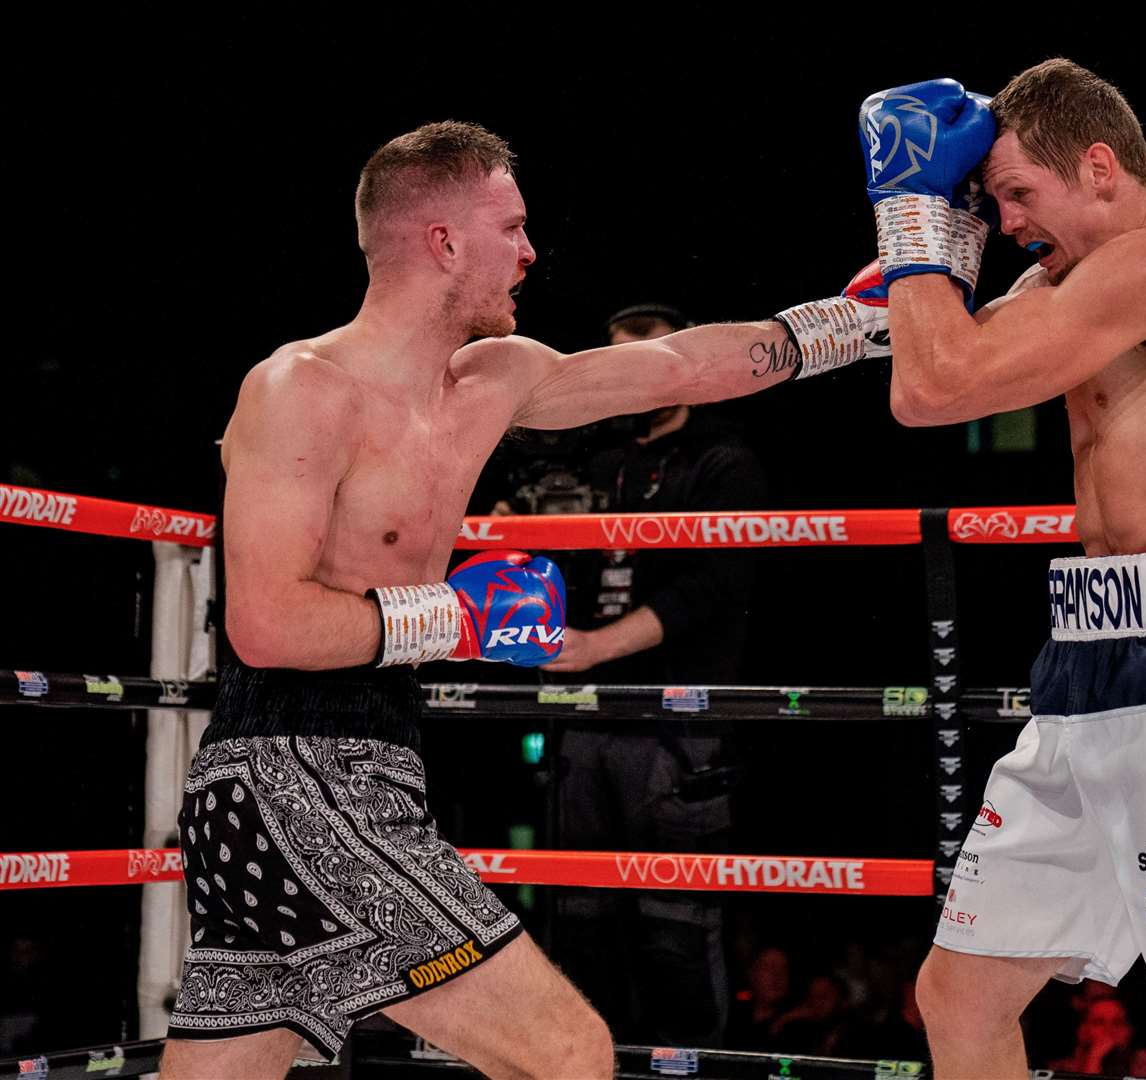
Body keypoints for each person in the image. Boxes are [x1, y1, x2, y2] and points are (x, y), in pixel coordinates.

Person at [158, 120, 884, 1079]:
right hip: (291, 771)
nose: (533, 252)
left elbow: (676, 369)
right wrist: (454, 616)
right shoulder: (301, 389)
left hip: (364, 762)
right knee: (567, 1054)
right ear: (444, 241)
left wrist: (856, 322)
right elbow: (266, 621)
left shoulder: (492, 379)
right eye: (513, 226)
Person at [842, 62, 1146, 1077]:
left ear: (1099, 167)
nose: (1010, 219)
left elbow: (935, 384)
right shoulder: (1059, 285)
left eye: (1019, 194)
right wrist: (933, 249)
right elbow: (921, 373)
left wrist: (911, 213)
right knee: (960, 992)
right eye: (995, 200)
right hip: (1083, 662)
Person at [538, 302, 766, 1048]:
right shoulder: (598, 465)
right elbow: (560, 570)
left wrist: (595, 648)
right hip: (586, 723)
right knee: (579, 928)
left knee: (675, 933)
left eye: (649, 358)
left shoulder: (722, 463)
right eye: (617, 362)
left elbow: (708, 590)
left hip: (676, 729)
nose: (632, 378)